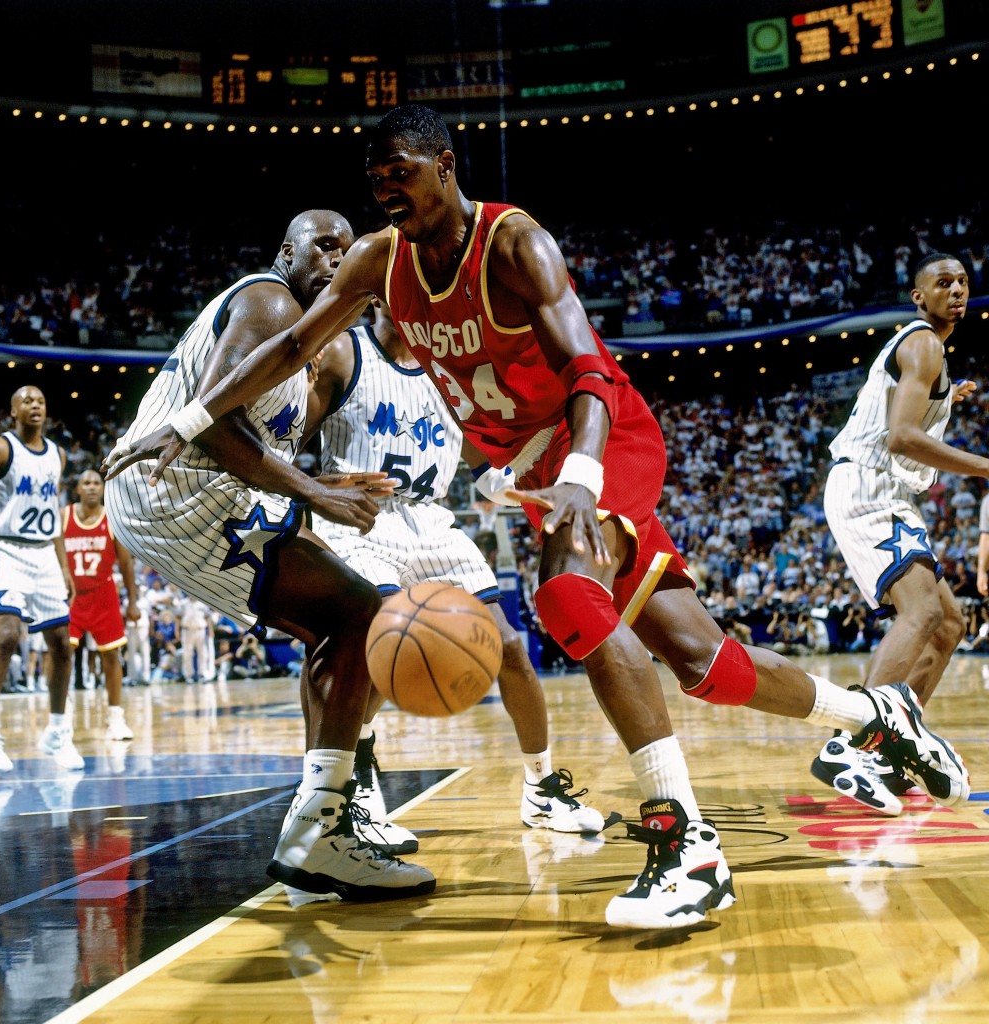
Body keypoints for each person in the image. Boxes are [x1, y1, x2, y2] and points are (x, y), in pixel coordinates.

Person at [108, 106, 969, 930]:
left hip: (602, 436)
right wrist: (183, 423)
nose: (390, 196)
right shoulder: (379, 260)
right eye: (378, 185)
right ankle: (877, 717)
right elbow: (289, 348)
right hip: (533, 463)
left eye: (402, 176)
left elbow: (590, 374)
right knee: (703, 660)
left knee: (564, 598)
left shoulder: (515, 243)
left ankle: (686, 845)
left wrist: (582, 482)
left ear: (445, 166)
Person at [103, 209, 435, 903]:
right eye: (323, 245)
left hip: (194, 492)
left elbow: (259, 453)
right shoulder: (269, 300)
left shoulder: (306, 344)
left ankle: (323, 825)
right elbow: (215, 428)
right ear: (287, 252)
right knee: (359, 613)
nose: (337, 258)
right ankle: (320, 833)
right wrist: (315, 492)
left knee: (342, 619)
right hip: (175, 488)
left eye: (347, 251)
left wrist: (325, 483)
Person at [303, 295, 604, 854]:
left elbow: (479, 464)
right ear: (377, 302)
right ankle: (359, 784)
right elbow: (291, 441)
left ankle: (541, 787)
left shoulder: (446, 377)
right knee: (385, 643)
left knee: (509, 648)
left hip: (435, 524)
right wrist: (321, 490)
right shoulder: (346, 355)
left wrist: (512, 487)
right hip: (364, 522)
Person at [818, 251, 983, 816]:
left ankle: (890, 749)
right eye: (943, 282)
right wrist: (985, 466)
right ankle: (852, 747)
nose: (956, 289)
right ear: (920, 297)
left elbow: (913, 416)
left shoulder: (933, 356)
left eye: (963, 281)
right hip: (869, 488)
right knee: (923, 615)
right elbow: (901, 438)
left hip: (887, 493)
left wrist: (947, 398)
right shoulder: (924, 344)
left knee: (949, 624)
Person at [0, 385, 84, 772]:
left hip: (44, 553)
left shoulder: (57, 455)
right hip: (6, 549)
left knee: (62, 646)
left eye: (41, 401)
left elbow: (54, 514)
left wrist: (64, 566)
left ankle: (57, 732)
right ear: (13, 409)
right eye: (27, 401)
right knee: (9, 635)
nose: (35, 405)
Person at [62, 469, 141, 740]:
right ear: (78, 489)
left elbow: (126, 563)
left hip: (103, 593)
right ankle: (61, 715)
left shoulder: (112, 517)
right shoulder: (64, 516)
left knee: (111, 656)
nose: (93, 487)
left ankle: (115, 718)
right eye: (87, 483)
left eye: (97, 482)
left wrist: (132, 601)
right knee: (62, 655)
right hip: (71, 595)